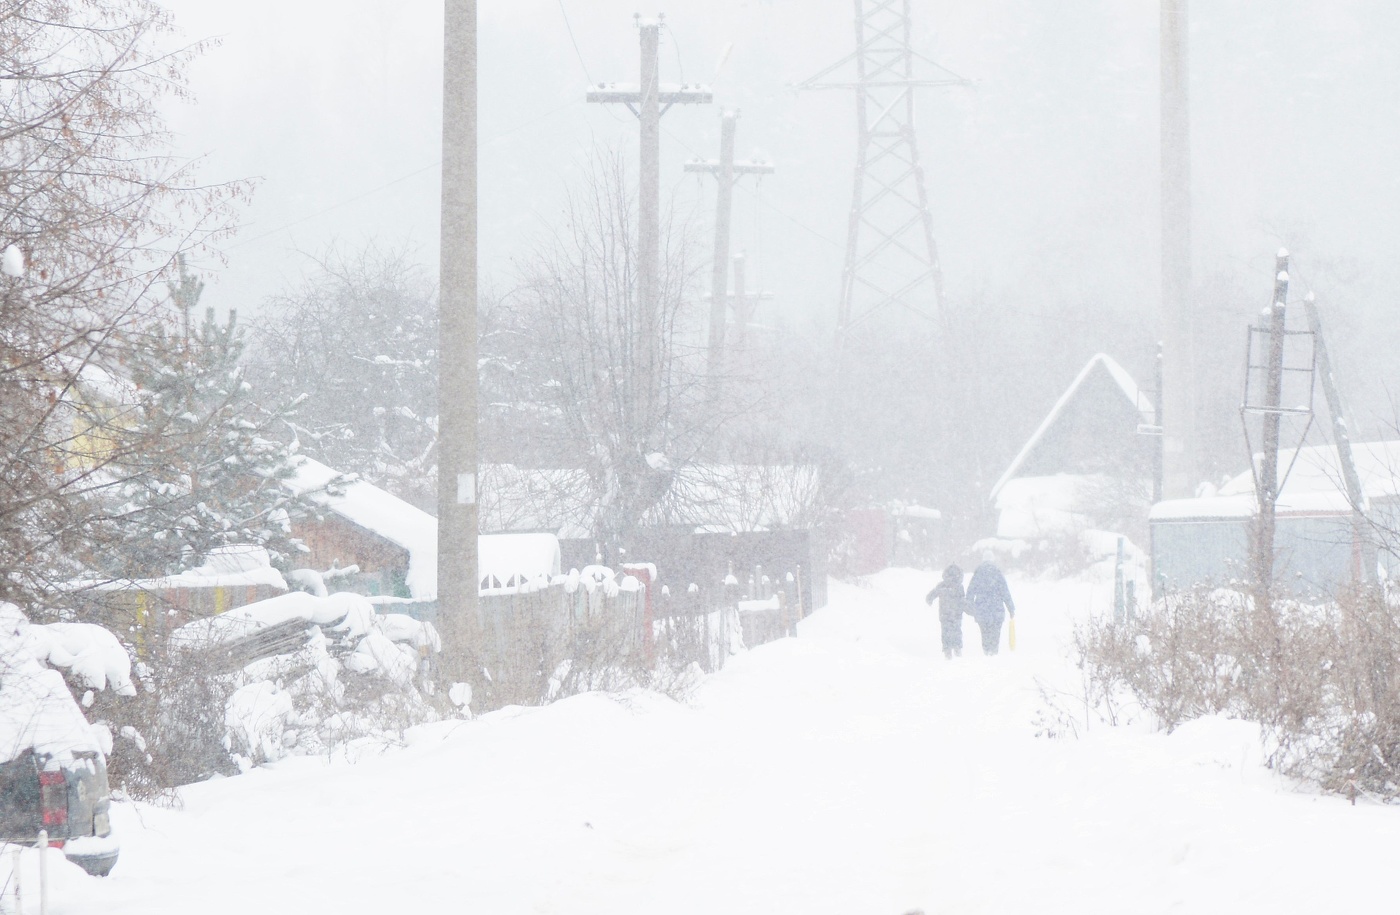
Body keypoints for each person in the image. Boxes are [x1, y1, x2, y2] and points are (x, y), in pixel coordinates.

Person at [966, 555, 1015, 655]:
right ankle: (994, 651)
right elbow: (1005, 592)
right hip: (997, 610)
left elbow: (971, 591)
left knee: (984, 632)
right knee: (996, 632)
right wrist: (1011, 608)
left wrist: (969, 606)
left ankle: (986, 650)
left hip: (982, 610)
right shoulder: (998, 573)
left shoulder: (978, 573)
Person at [925, 564, 966, 659]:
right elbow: (963, 600)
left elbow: (931, 595)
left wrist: (929, 600)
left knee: (945, 632)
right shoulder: (959, 587)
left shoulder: (941, 585)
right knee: (957, 631)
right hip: (956, 614)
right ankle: (957, 650)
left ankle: (947, 652)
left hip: (944, 614)